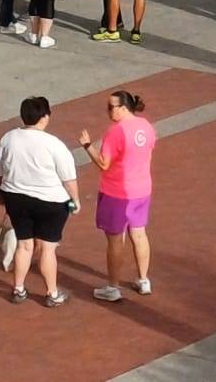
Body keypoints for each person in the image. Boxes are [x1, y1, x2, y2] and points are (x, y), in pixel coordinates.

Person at [0, 95, 80, 308]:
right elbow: (68, 178)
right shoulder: (54, 144)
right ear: (44, 117)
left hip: (16, 198)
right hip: (51, 202)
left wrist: (0, 194)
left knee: (24, 245)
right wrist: (75, 200)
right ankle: (52, 292)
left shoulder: (8, 138)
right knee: (48, 249)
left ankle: (18, 288)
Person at [80, 89, 156, 303]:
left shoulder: (116, 131)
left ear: (123, 108)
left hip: (118, 192)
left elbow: (104, 163)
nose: (108, 111)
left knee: (115, 239)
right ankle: (143, 279)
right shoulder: (146, 127)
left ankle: (113, 286)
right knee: (139, 233)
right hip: (142, 189)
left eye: (110, 106)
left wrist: (87, 146)